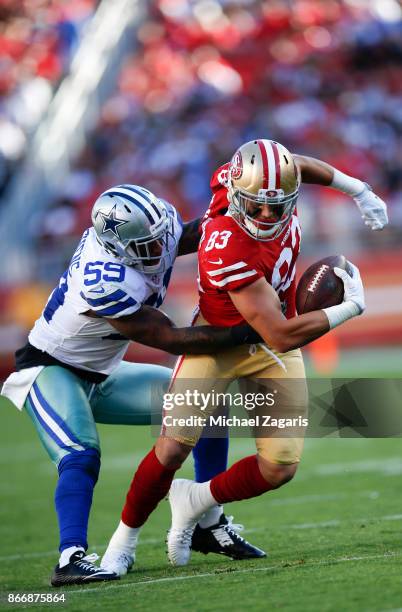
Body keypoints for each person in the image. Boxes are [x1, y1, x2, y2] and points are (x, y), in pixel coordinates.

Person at [101, 139, 388, 571]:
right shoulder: (226, 246)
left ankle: (195, 499)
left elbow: (298, 165)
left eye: (279, 205)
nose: (269, 217)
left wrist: (358, 189)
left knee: (279, 466)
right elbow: (281, 334)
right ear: (236, 197)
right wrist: (349, 307)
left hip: (270, 342)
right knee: (171, 449)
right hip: (217, 343)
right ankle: (122, 542)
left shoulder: (246, 181)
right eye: (257, 208)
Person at [1, 183, 267, 587]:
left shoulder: (148, 227)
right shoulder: (104, 280)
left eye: (161, 236)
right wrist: (250, 331)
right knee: (80, 454)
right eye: (149, 244)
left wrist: (242, 222)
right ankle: (70, 557)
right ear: (118, 248)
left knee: (207, 403)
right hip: (51, 369)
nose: (161, 248)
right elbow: (171, 339)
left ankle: (208, 523)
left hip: (104, 372)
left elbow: (193, 235)